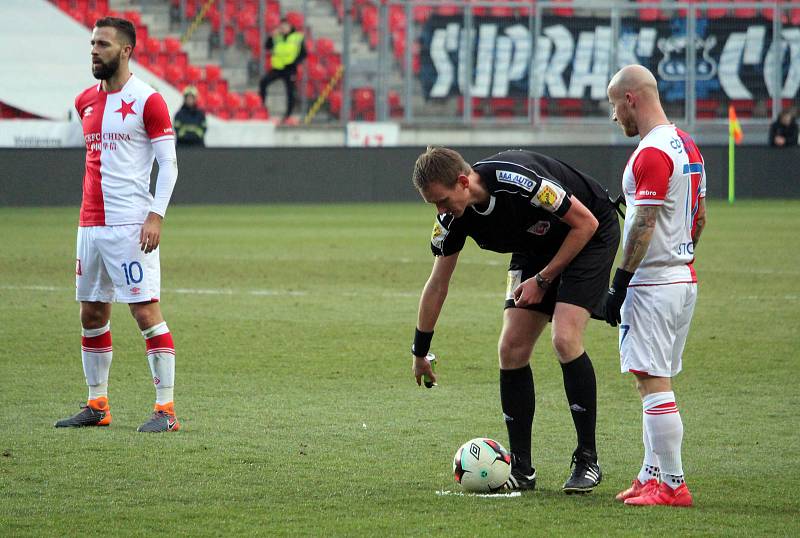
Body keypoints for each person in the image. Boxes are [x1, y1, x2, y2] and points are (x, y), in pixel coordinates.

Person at [410, 146, 620, 494]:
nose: (441, 211)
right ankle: (521, 469)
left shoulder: (519, 182)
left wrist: (543, 280)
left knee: (564, 338)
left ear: (463, 181)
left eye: (443, 200)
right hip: (535, 244)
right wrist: (420, 352)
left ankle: (587, 459)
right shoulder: (453, 219)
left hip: (588, 233)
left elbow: (586, 223)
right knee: (510, 348)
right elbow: (437, 286)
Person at [55, 17, 180, 433]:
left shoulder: (149, 100)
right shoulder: (84, 101)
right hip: (90, 225)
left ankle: (166, 410)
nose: (94, 50)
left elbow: (169, 164)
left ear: (125, 51)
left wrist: (155, 215)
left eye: (103, 44)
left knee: (145, 312)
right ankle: (97, 404)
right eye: (92, 43)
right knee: (91, 313)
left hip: (131, 225)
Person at [604, 64, 707, 506]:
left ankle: (673, 484)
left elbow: (644, 222)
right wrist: (680, 256)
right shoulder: (686, 145)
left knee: (653, 382)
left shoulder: (650, 152)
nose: (613, 117)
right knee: (649, 381)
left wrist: (619, 283)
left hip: (652, 283)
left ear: (631, 98)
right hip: (681, 277)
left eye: (613, 105)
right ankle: (651, 475)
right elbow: (699, 217)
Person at [258, 18, 306, 124]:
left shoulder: (297, 38)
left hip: (290, 68)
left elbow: (303, 53)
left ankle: (288, 115)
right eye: (281, 27)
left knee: (290, 92)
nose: (283, 29)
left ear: (290, 27)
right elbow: (267, 46)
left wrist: (295, 63)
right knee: (263, 82)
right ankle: (262, 106)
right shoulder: (277, 37)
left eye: (285, 26)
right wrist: (271, 36)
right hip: (278, 68)